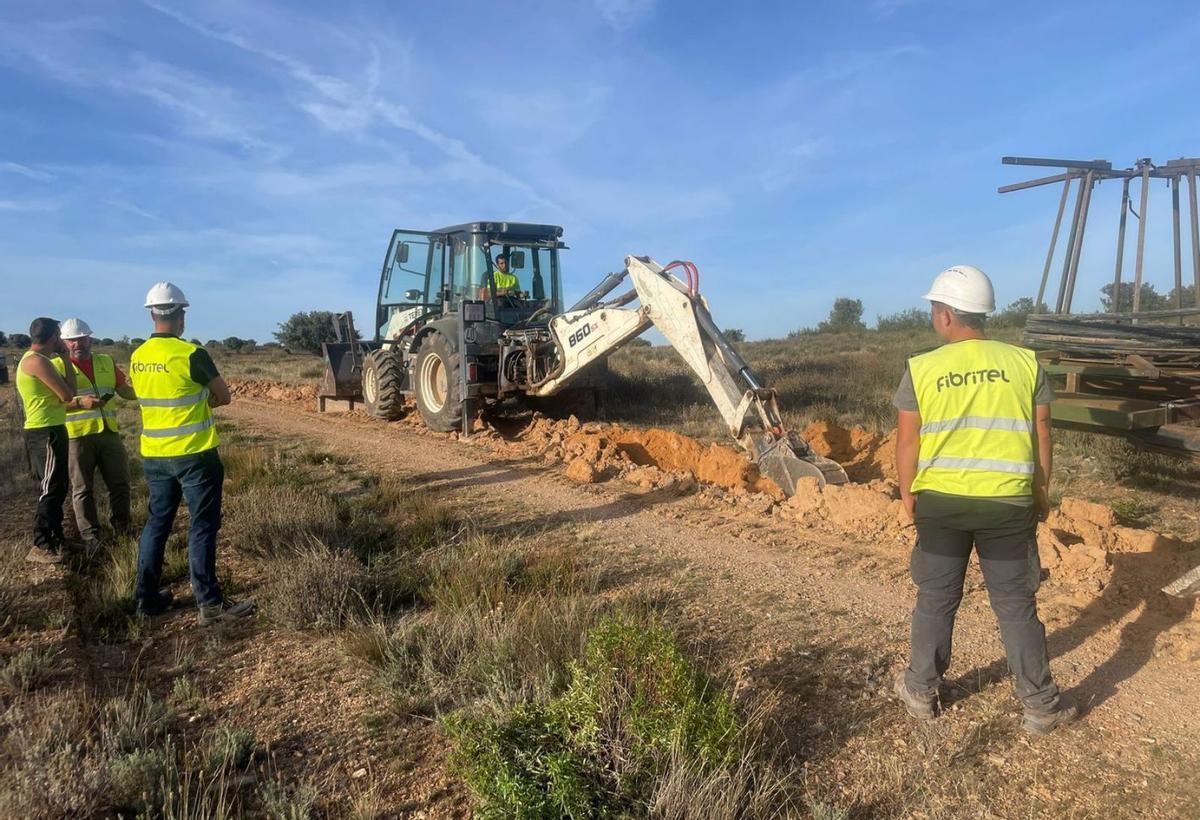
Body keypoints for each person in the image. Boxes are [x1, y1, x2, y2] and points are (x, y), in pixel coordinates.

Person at [891, 265, 1077, 736]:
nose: (934, 316)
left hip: (941, 505)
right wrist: (1040, 490)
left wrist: (907, 492)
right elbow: (1042, 433)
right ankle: (1040, 706)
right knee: (1016, 605)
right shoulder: (1024, 363)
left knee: (936, 599)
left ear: (948, 316)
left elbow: (907, 443)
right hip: (1008, 505)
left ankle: (920, 691)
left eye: (935, 308)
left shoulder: (922, 368)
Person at [129, 282, 255, 625]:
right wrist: (204, 401)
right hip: (195, 455)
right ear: (180, 315)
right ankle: (209, 604)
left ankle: (147, 599)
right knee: (201, 527)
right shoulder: (191, 354)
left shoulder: (137, 357)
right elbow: (223, 396)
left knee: (157, 525)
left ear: (152, 313)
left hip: (154, 455)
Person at [15, 318, 101, 563]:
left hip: (53, 428)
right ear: (53, 337)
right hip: (45, 432)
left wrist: (64, 360)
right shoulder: (36, 361)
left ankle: (56, 539)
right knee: (51, 489)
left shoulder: (43, 360)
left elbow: (67, 393)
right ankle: (41, 545)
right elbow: (67, 394)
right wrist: (63, 360)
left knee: (59, 486)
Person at [54, 318, 134, 556]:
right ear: (64, 342)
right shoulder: (57, 366)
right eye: (72, 340)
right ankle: (91, 538)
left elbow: (126, 391)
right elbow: (53, 404)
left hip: (108, 433)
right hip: (77, 437)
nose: (78, 344)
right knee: (82, 489)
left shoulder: (105, 361)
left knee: (120, 484)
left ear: (90, 338)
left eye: (82, 338)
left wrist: (151, 390)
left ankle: (123, 529)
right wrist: (80, 403)